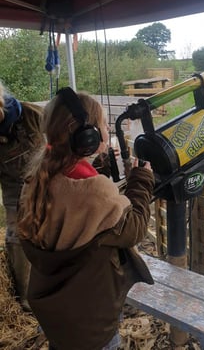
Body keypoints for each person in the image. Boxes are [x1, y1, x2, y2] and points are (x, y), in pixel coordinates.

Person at [18, 87, 155, 350]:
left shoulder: (35, 180)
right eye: (103, 124)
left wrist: (97, 168)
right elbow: (134, 227)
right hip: (91, 324)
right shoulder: (94, 192)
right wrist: (142, 180)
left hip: (57, 316)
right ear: (87, 136)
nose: (107, 129)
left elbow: (73, 213)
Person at [0, 81, 44, 309]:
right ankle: (26, 299)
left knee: (51, 226)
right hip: (13, 187)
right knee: (16, 235)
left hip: (44, 179)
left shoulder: (32, 115)